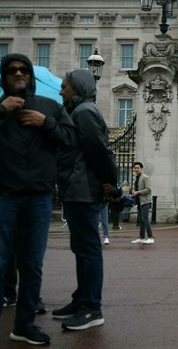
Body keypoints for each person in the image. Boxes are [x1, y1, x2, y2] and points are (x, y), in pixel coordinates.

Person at [0, 53, 77, 349]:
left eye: (24, 70)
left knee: (32, 265)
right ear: (4, 78)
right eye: (12, 71)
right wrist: (1, 110)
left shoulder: (50, 108)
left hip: (37, 198)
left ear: (30, 77)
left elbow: (71, 139)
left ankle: (24, 325)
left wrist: (45, 122)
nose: (18, 74)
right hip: (1, 197)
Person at [52, 69, 120, 332]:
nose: (61, 90)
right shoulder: (76, 111)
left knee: (88, 248)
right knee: (81, 247)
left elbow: (98, 150)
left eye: (64, 86)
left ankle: (92, 307)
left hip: (83, 187)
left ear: (77, 88)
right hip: (75, 186)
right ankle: (81, 299)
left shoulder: (84, 112)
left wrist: (109, 181)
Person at [0, 149, 47, 314]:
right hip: (1, 189)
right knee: (2, 251)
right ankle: (8, 292)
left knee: (27, 250)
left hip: (29, 189)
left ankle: (31, 297)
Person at [130, 162, 154, 245]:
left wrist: (138, 192)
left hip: (145, 201)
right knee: (141, 220)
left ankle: (150, 237)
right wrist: (134, 194)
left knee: (145, 219)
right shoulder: (137, 178)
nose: (136, 169)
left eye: (138, 168)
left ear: (141, 168)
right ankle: (142, 238)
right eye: (135, 168)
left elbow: (148, 189)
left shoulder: (145, 178)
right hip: (139, 201)